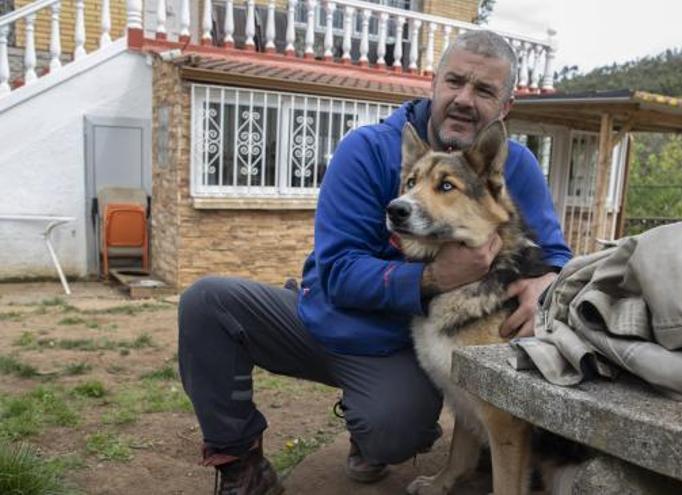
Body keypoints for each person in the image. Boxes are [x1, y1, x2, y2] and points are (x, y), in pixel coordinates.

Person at [177, 29, 572, 495]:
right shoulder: (365, 150)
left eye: (484, 90)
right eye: (455, 82)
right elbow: (340, 270)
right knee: (207, 303)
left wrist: (547, 280)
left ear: (505, 107)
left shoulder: (512, 166)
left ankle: (372, 430)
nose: (464, 99)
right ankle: (240, 462)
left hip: (399, 348)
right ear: (434, 84)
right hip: (325, 313)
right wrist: (432, 277)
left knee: (392, 432)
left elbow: (557, 256)